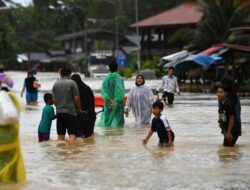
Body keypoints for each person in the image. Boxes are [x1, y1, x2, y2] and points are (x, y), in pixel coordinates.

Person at [0, 87, 26, 183]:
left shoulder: (3, 97)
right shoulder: (5, 97)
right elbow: (13, 116)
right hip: (8, 139)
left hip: (6, 139)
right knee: (11, 164)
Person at [52, 68, 82, 143]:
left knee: (60, 136)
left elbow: (54, 100)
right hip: (70, 112)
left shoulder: (56, 84)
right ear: (70, 74)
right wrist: (79, 108)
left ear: (61, 74)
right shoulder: (72, 83)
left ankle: (61, 152)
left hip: (59, 112)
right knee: (72, 134)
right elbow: (76, 98)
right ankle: (71, 152)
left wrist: (58, 106)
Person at [97, 61, 125, 127]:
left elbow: (104, 92)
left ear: (109, 68)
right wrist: (115, 101)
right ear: (117, 68)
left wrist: (110, 100)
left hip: (108, 103)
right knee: (119, 123)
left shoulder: (105, 79)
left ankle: (108, 136)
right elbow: (120, 92)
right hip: (118, 104)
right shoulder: (120, 79)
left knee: (107, 122)